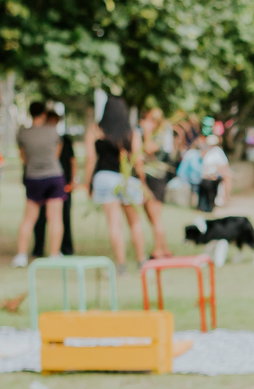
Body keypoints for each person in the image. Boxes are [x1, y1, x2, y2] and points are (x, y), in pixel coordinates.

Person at [84, 93, 146, 273]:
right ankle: (142, 262)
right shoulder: (132, 132)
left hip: (104, 178)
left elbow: (91, 159)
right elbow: (138, 161)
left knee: (114, 224)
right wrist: (142, 182)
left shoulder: (95, 130)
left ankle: (121, 266)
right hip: (128, 179)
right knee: (135, 223)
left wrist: (89, 184)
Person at [11, 103, 66, 267]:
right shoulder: (53, 131)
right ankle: (54, 254)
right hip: (54, 176)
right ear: (44, 113)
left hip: (33, 177)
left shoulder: (23, 133)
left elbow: (23, 157)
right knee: (55, 217)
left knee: (29, 218)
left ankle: (21, 255)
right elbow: (57, 154)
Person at [32, 111, 76, 258]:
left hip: (59, 182)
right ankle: (39, 249)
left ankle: (64, 248)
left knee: (62, 217)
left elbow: (71, 160)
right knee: (40, 218)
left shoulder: (63, 139)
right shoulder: (43, 139)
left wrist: (71, 181)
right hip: (47, 181)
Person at [138, 108, 174, 258]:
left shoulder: (160, 136)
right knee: (152, 216)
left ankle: (159, 250)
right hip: (151, 178)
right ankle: (164, 248)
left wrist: (146, 132)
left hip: (156, 178)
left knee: (155, 216)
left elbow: (149, 149)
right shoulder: (156, 135)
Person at [197, 133, 230, 214]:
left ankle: (223, 200)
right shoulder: (206, 151)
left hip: (215, 175)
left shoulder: (217, 151)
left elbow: (223, 165)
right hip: (207, 176)